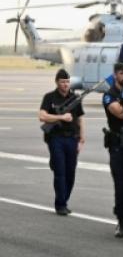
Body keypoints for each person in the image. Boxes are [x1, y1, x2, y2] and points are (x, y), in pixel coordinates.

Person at [39, 69, 85, 215]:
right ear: (57, 82)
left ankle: (64, 198)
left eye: (67, 81)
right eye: (62, 82)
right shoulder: (49, 97)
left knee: (70, 172)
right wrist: (60, 118)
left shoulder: (75, 98)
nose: (65, 84)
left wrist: (82, 138)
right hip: (56, 138)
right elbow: (42, 116)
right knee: (60, 172)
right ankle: (61, 204)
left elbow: (80, 118)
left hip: (72, 139)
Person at [102, 62, 123, 236]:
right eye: (121, 73)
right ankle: (122, 222)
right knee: (121, 184)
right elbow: (120, 112)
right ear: (115, 75)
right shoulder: (109, 95)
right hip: (118, 146)